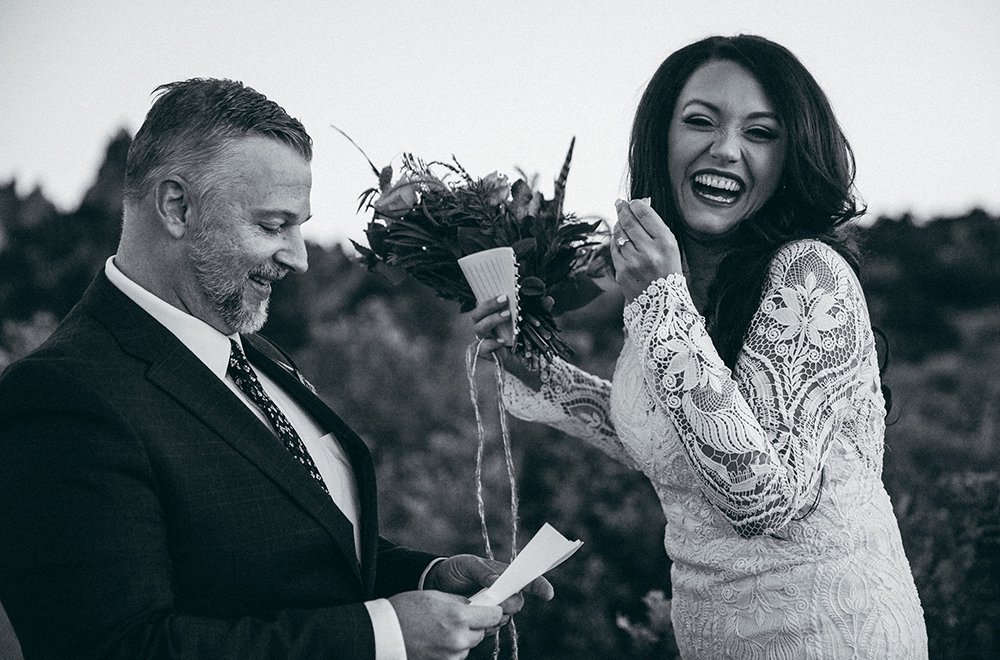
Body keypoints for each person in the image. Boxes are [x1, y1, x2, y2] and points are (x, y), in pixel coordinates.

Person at [0, 78, 551, 660]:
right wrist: (380, 636)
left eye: (299, 225)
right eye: (272, 226)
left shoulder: (255, 353)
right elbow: (116, 647)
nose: (300, 256)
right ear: (176, 206)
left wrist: (422, 578)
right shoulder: (64, 396)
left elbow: (290, 547)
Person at [472, 35, 927, 659]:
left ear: (791, 157)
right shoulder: (674, 289)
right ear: (662, 138)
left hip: (832, 633)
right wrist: (531, 364)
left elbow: (760, 495)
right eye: (700, 122)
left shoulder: (809, 272)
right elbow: (672, 437)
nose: (726, 148)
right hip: (714, 637)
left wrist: (661, 300)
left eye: (761, 132)